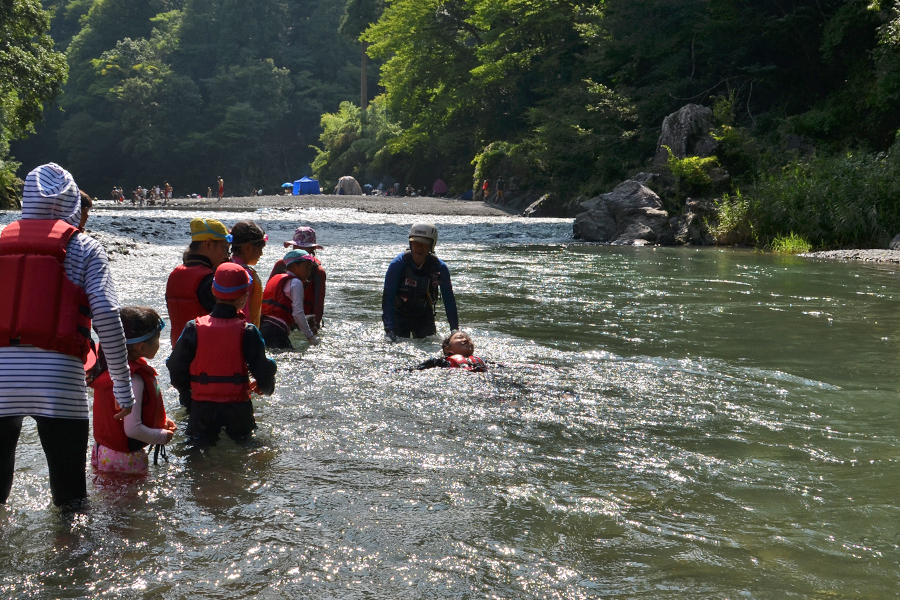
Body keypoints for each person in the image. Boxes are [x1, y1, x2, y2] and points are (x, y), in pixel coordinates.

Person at [0, 163, 135, 507]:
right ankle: (69, 557)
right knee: (71, 499)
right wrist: (122, 385)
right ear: (73, 200)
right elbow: (106, 315)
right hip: (58, 379)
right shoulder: (86, 247)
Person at [167, 263, 276, 439]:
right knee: (245, 451)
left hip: (202, 408)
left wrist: (189, 393)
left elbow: (175, 366)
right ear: (244, 297)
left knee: (197, 451)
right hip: (238, 408)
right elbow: (262, 370)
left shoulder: (193, 328)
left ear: (212, 290)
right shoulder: (248, 331)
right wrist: (267, 387)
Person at [90, 307, 176, 474]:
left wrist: (160, 421)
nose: (159, 343)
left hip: (104, 452)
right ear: (142, 348)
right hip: (125, 459)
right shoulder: (134, 378)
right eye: (157, 338)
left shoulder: (107, 369)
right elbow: (132, 430)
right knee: (130, 500)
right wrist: (163, 436)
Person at [382, 222, 459, 340]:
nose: (419, 247)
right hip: (399, 317)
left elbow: (449, 299)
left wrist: (454, 330)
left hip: (424, 318)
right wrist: (389, 329)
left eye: (424, 244)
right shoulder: (398, 265)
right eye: (415, 243)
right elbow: (388, 298)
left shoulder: (439, 268)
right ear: (410, 244)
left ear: (431, 246)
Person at [165, 218, 232, 351]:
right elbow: (231, 321)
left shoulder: (174, 275)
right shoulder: (211, 280)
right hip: (207, 356)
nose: (226, 255)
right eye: (225, 248)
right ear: (208, 244)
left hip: (179, 356)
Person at [268, 226, 326, 333]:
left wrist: (315, 325)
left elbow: (319, 303)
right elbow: (268, 294)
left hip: (306, 319)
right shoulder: (281, 265)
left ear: (312, 250)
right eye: (297, 248)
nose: (300, 252)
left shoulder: (318, 272)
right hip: (281, 317)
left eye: (304, 249)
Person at [260, 250, 321, 349]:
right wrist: (311, 337)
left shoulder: (278, 278)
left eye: (310, 269)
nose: (308, 272)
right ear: (293, 267)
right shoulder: (296, 283)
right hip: (276, 330)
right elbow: (298, 313)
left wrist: (304, 320)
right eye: (306, 268)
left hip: (264, 327)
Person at [230, 221, 267, 328]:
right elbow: (243, 313)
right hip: (245, 333)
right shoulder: (245, 275)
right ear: (248, 248)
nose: (261, 254)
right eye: (260, 249)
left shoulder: (227, 266)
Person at [415, 331, 487, 372]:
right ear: (447, 349)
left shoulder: (484, 362)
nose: (466, 340)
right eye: (459, 337)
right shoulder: (440, 362)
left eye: (468, 339)